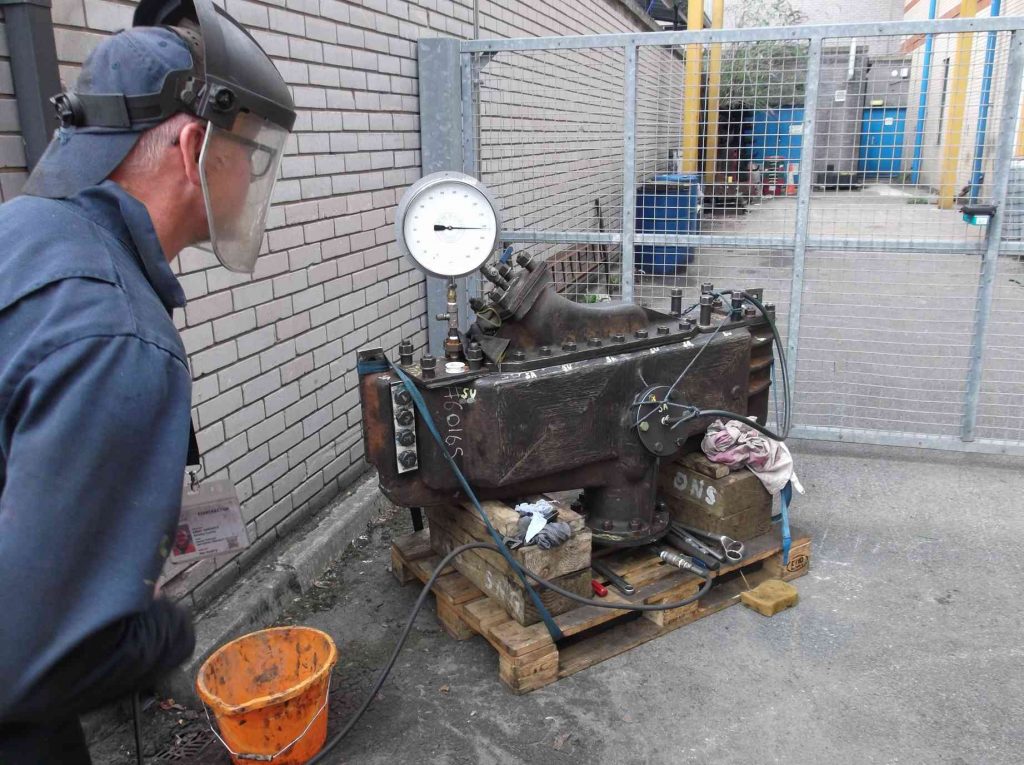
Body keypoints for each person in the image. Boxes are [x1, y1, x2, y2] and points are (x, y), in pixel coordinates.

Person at [0, 0, 295, 761]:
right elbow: (35, 659)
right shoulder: (117, 335)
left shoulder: (23, 234)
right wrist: (160, 628)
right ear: (198, 145)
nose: (255, 173)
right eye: (252, 151)